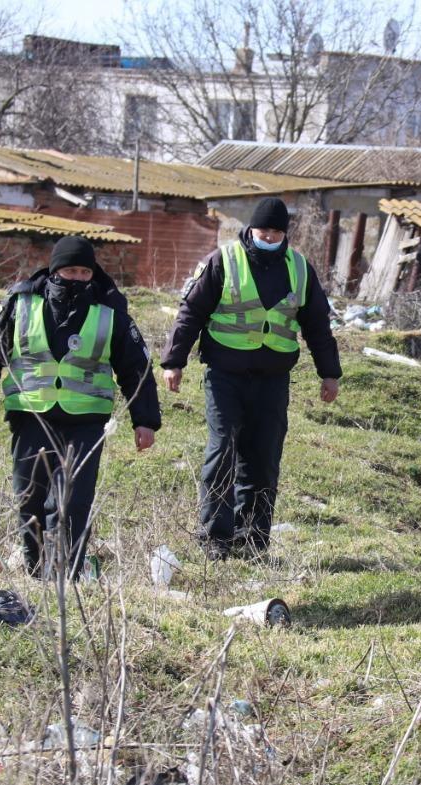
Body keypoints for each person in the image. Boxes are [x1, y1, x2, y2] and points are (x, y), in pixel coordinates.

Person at [0, 235, 162, 580]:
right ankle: (37, 572)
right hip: (31, 416)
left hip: (85, 423)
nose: (78, 277)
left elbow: (136, 370)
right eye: (70, 270)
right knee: (31, 501)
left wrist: (145, 421)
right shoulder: (20, 304)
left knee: (71, 503)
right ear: (55, 271)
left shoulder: (111, 312)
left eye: (85, 271)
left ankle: (63, 578)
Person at [160, 198, 341, 561]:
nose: (269, 238)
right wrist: (173, 361)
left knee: (263, 459)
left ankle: (253, 539)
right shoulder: (223, 261)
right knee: (222, 451)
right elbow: (191, 312)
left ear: (284, 234)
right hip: (225, 375)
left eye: (276, 233)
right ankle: (216, 537)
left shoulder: (300, 269)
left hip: (273, 380)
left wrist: (329, 372)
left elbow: (318, 325)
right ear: (250, 231)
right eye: (263, 232)